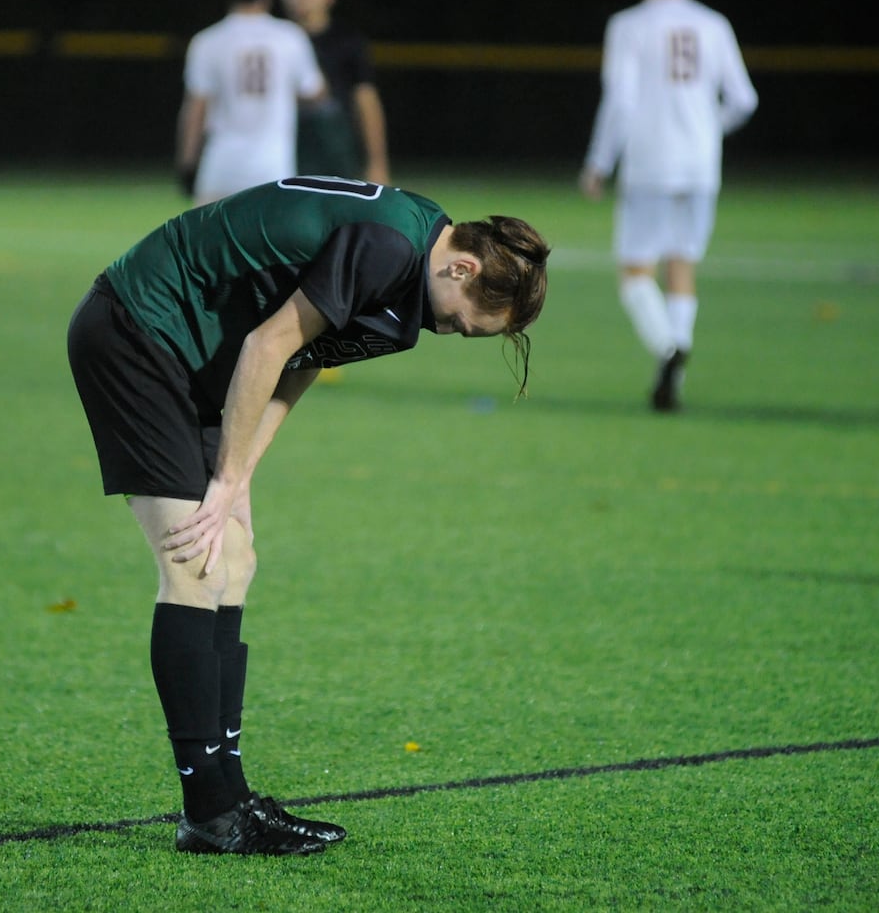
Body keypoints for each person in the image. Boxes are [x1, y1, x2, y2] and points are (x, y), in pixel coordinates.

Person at [67, 176, 550, 855]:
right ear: (461, 267)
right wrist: (225, 478)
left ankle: (228, 796)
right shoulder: (389, 248)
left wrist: (238, 482)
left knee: (234, 560)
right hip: (138, 329)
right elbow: (268, 344)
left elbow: (296, 359)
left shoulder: (414, 260)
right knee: (194, 562)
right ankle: (208, 809)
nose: (453, 332)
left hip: (198, 353)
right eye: (462, 322)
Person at [579, 0, 758, 412]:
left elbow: (620, 99)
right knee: (682, 265)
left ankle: (668, 348)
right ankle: (672, 378)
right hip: (702, 165)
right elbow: (744, 100)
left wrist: (599, 163)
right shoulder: (714, 24)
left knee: (636, 273)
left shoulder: (629, 25)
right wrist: (708, 130)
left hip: (651, 162)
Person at [176, 0, 327, 205]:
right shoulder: (290, 36)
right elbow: (316, 91)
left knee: (209, 241)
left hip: (221, 168)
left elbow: (195, 110)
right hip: (272, 170)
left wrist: (187, 161)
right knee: (268, 243)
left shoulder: (207, 40)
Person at [280, 0, 391, 186]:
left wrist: (377, 161)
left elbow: (366, 101)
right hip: (284, 143)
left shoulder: (347, 41)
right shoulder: (276, 39)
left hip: (334, 148)